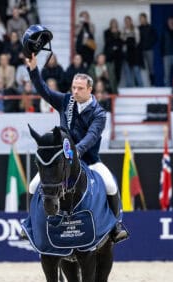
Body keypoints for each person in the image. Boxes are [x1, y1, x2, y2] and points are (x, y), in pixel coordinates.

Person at [26, 53, 128, 243]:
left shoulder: (99, 113)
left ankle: (116, 226)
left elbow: (92, 136)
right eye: (74, 87)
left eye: (80, 88)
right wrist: (33, 70)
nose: (75, 91)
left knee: (110, 184)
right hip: (63, 161)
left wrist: (76, 151)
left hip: (89, 160)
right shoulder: (66, 101)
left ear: (90, 89)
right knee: (33, 185)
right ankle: (30, 223)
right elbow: (44, 91)